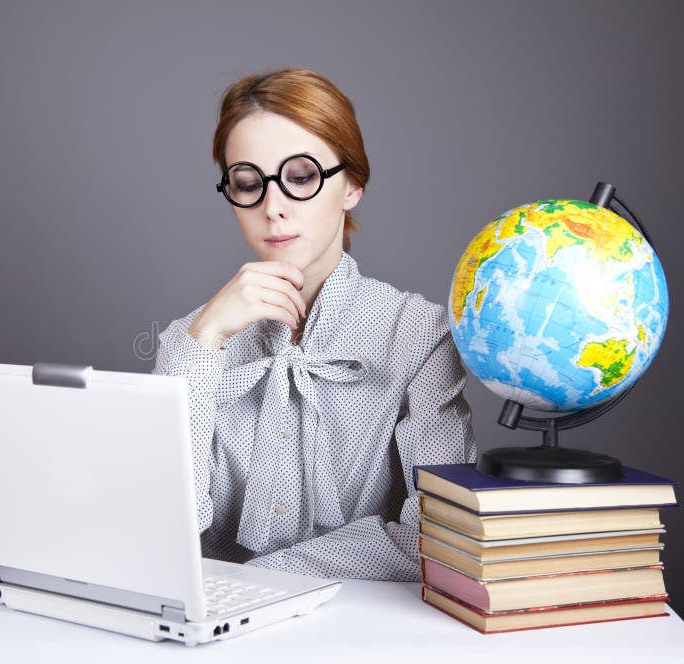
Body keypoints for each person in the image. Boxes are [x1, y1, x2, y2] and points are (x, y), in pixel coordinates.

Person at [152, 67, 476, 580]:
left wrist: (264, 578)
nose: (273, 208)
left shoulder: (417, 333)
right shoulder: (189, 340)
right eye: (247, 183)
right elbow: (159, 530)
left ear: (352, 185)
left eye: (300, 177)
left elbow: (441, 534)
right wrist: (203, 344)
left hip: (362, 633)